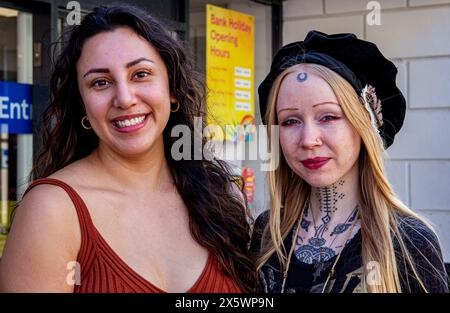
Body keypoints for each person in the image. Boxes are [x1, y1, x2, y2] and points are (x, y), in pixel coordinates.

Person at [0, 5, 257, 293]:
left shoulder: (221, 197)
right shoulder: (52, 211)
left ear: (172, 89)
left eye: (140, 74)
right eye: (100, 82)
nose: (124, 98)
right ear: (82, 103)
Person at [251, 30, 449, 293]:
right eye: (290, 121)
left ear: (362, 126)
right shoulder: (267, 232)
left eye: (328, 117)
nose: (309, 140)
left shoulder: (409, 243)